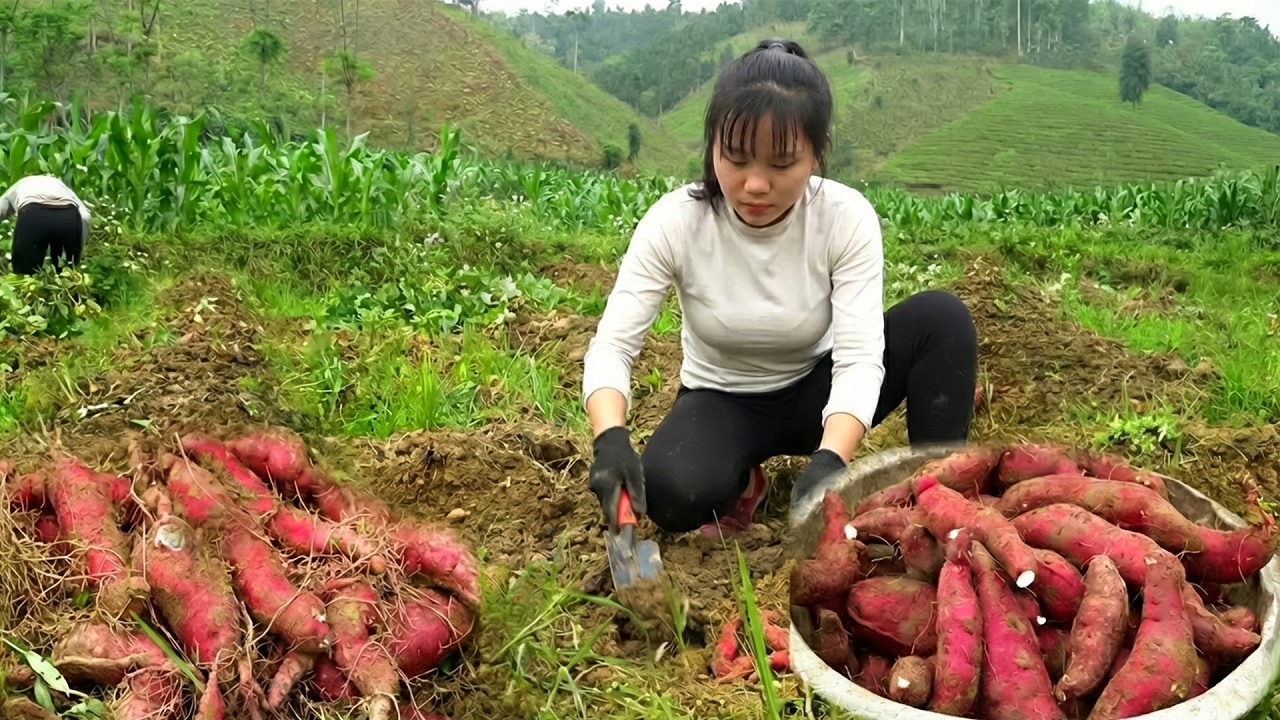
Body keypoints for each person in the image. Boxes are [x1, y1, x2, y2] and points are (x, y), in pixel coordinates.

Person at [580, 38, 980, 539]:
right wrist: (610, 437)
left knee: (941, 320)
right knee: (669, 496)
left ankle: (937, 496)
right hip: (722, 398)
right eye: (737, 158)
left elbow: (858, 358)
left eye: (781, 163)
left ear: (815, 154)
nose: (754, 185)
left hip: (819, 385)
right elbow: (614, 345)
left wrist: (833, 457)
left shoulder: (844, 218)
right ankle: (744, 483)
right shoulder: (676, 221)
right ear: (712, 146)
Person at [0, 174, 91, 275]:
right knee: (66, 273)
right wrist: (76, 248)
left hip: (34, 216)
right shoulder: (60, 184)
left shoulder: (21, 184)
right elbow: (85, 216)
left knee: (25, 273)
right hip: (67, 217)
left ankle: (25, 286)